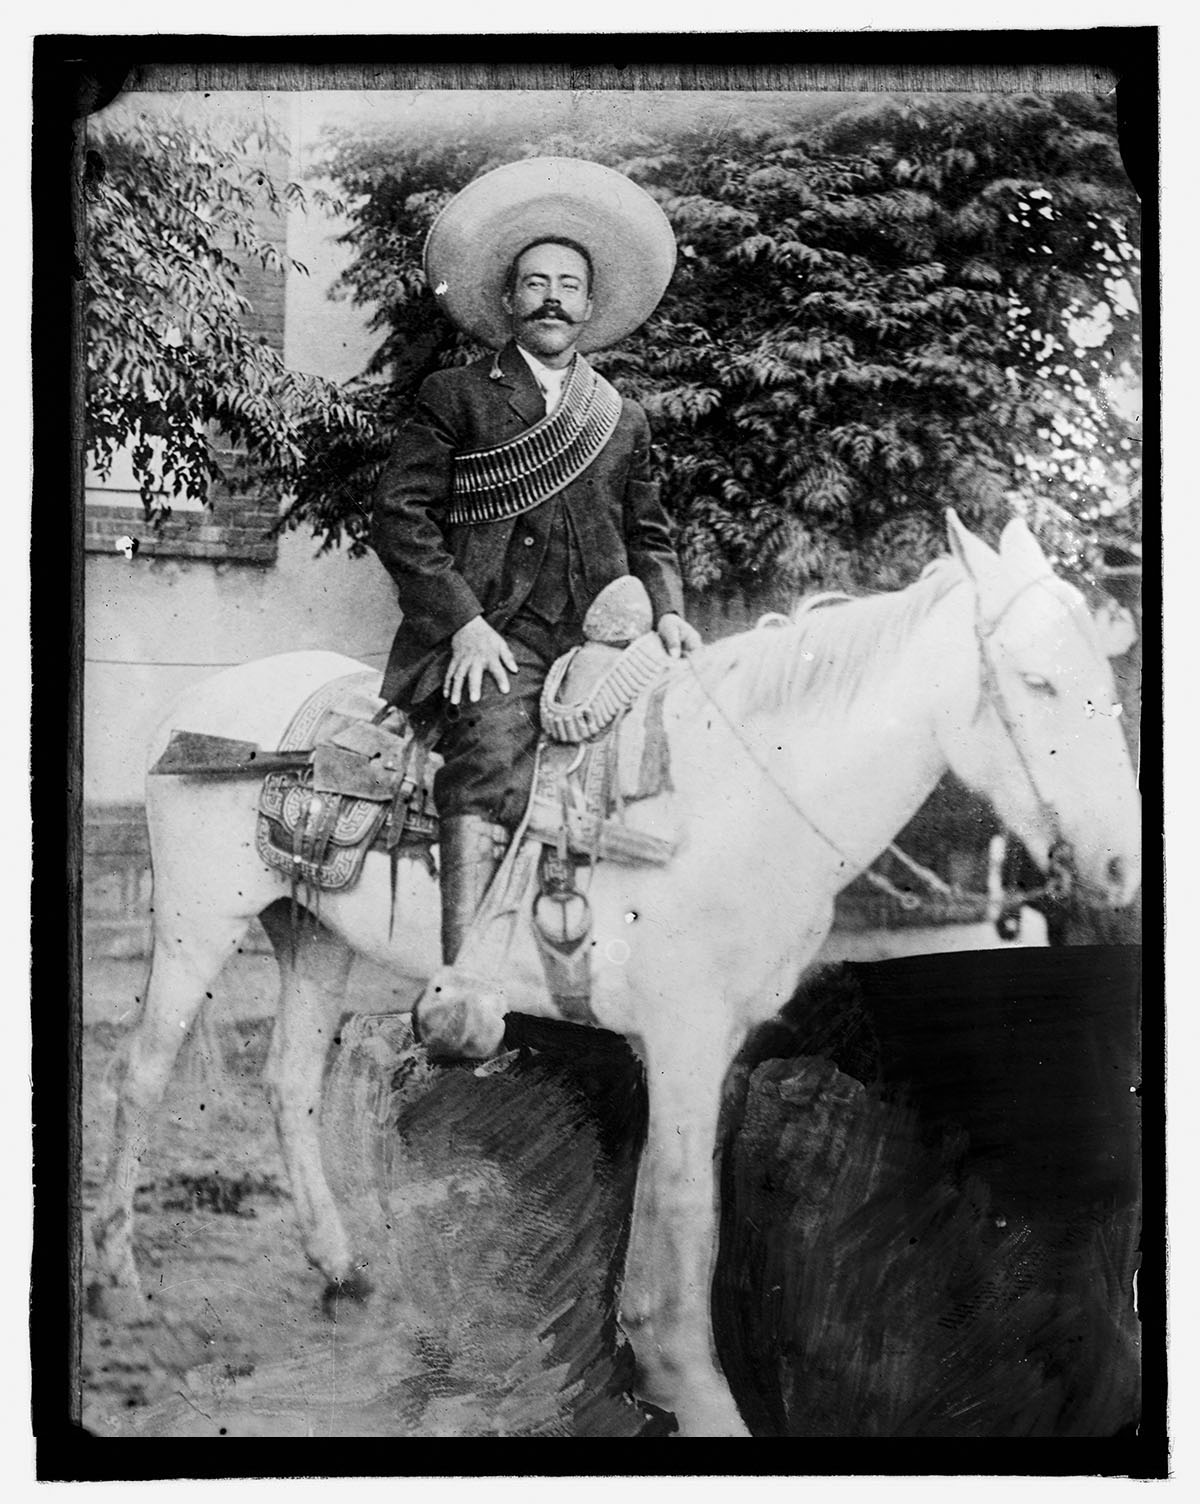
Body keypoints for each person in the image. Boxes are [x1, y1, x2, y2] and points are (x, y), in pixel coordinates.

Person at [370, 157, 701, 969]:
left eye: (568, 285)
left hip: (600, 643)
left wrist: (669, 613)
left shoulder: (621, 418)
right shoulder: (457, 394)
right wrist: (465, 626)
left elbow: (650, 534)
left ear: (590, 306)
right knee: (488, 754)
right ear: (510, 300)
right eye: (535, 283)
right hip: (496, 639)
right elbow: (400, 517)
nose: (552, 297)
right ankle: (465, 986)